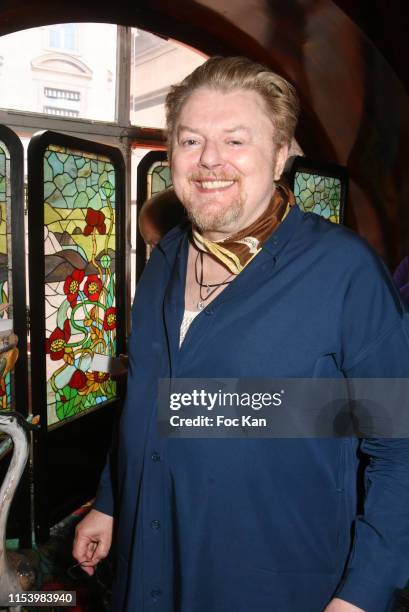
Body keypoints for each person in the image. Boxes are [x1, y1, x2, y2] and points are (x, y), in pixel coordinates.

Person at [73, 56, 409, 612]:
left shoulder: (344, 273)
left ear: (281, 155)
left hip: (278, 584)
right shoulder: (166, 259)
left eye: (235, 140)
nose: (209, 160)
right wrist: (110, 501)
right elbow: (152, 403)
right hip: (152, 564)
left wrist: (361, 596)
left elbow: (398, 448)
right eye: (190, 141)